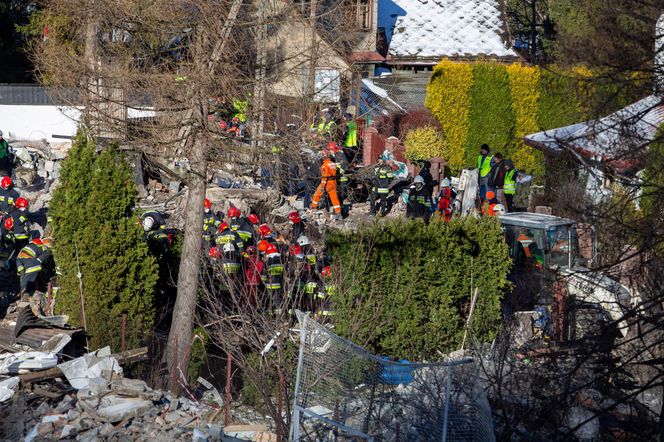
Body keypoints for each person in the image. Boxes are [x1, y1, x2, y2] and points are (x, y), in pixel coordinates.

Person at [311, 148, 342, 220]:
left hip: (326, 183)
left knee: (317, 194)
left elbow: (325, 177)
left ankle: (313, 207)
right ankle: (338, 213)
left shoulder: (324, 166)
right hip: (333, 182)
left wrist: (322, 186)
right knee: (334, 198)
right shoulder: (333, 164)